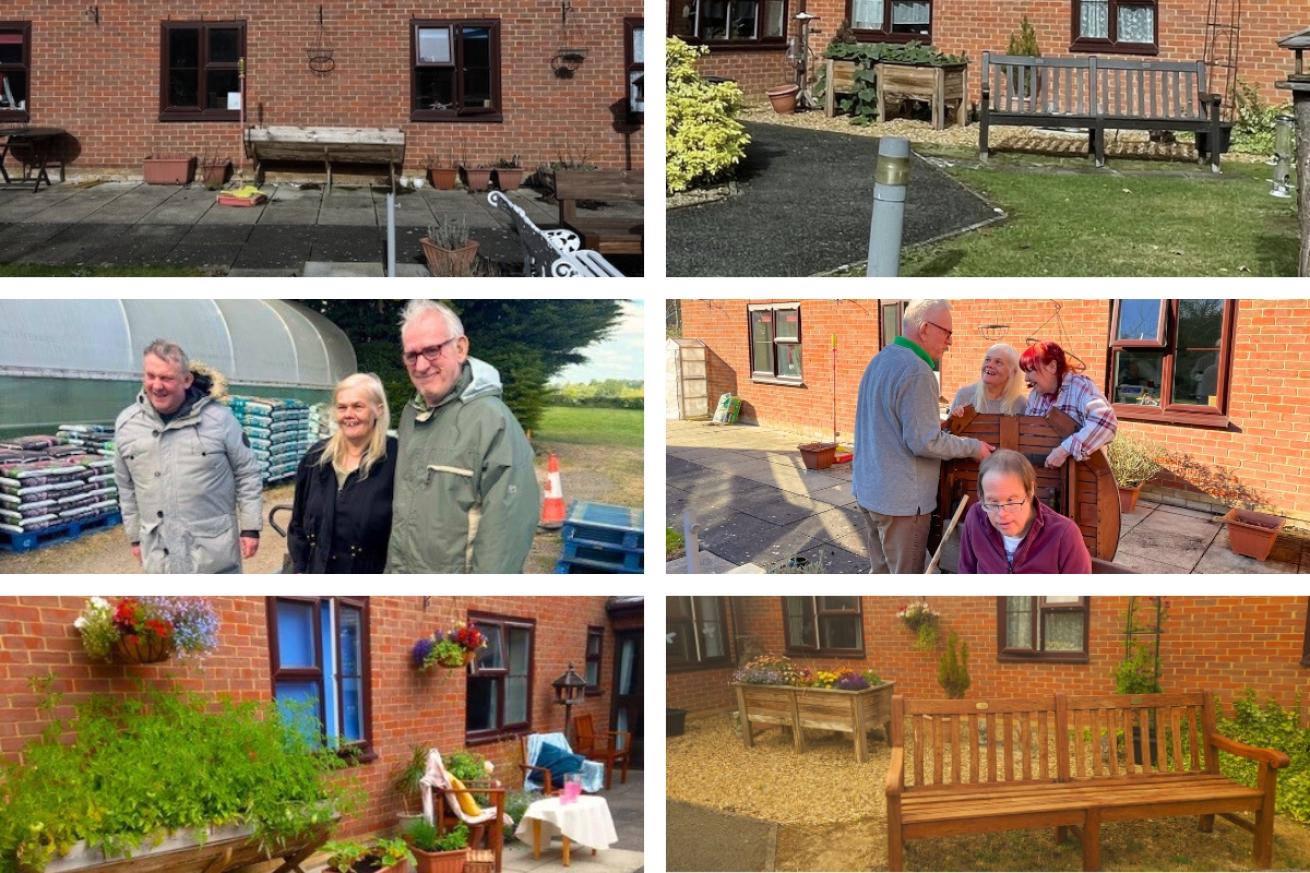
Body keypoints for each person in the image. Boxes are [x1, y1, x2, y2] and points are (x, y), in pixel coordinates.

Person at [385, 300, 541, 574]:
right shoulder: (412, 415)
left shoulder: (493, 422)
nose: (421, 365)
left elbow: (504, 540)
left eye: (432, 351)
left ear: (460, 348)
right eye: (412, 355)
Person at [852, 299, 994, 574]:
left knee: (880, 575)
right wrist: (973, 447)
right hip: (902, 504)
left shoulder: (881, 359)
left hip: (869, 491)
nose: (950, 342)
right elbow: (924, 442)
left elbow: (886, 420)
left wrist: (934, 423)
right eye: (947, 333)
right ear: (926, 328)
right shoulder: (918, 370)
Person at [113, 339, 262, 573]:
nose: (157, 386)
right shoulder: (127, 424)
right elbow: (126, 487)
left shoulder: (219, 420)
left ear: (186, 380)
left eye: (166, 378)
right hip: (159, 554)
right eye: (150, 376)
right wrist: (134, 538)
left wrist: (250, 528)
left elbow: (247, 473)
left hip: (213, 553)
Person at [287, 373, 397, 573]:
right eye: (342, 407)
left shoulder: (396, 460)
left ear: (378, 410)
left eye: (358, 406)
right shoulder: (315, 458)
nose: (348, 414)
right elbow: (297, 525)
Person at [958, 449, 1092, 573]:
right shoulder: (975, 517)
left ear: (1030, 491)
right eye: (993, 502)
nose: (1002, 514)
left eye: (1011, 501)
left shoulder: (1064, 534)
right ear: (981, 497)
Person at [1021, 340, 1118, 469]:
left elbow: (1106, 422)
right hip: (1044, 478)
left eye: (1030, 371)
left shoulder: (1080, 386)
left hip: (1081, 478)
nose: (1026, 378)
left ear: (1052, 366)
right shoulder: (1035, 395)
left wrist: (1064, 450)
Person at [949, 343, 1028, 416]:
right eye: (987, 360)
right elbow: (946, 431)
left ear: (1013, 372)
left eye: (998, 362)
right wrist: (954, 421)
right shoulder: (965, 395)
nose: (989, 365)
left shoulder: (1021, 405)